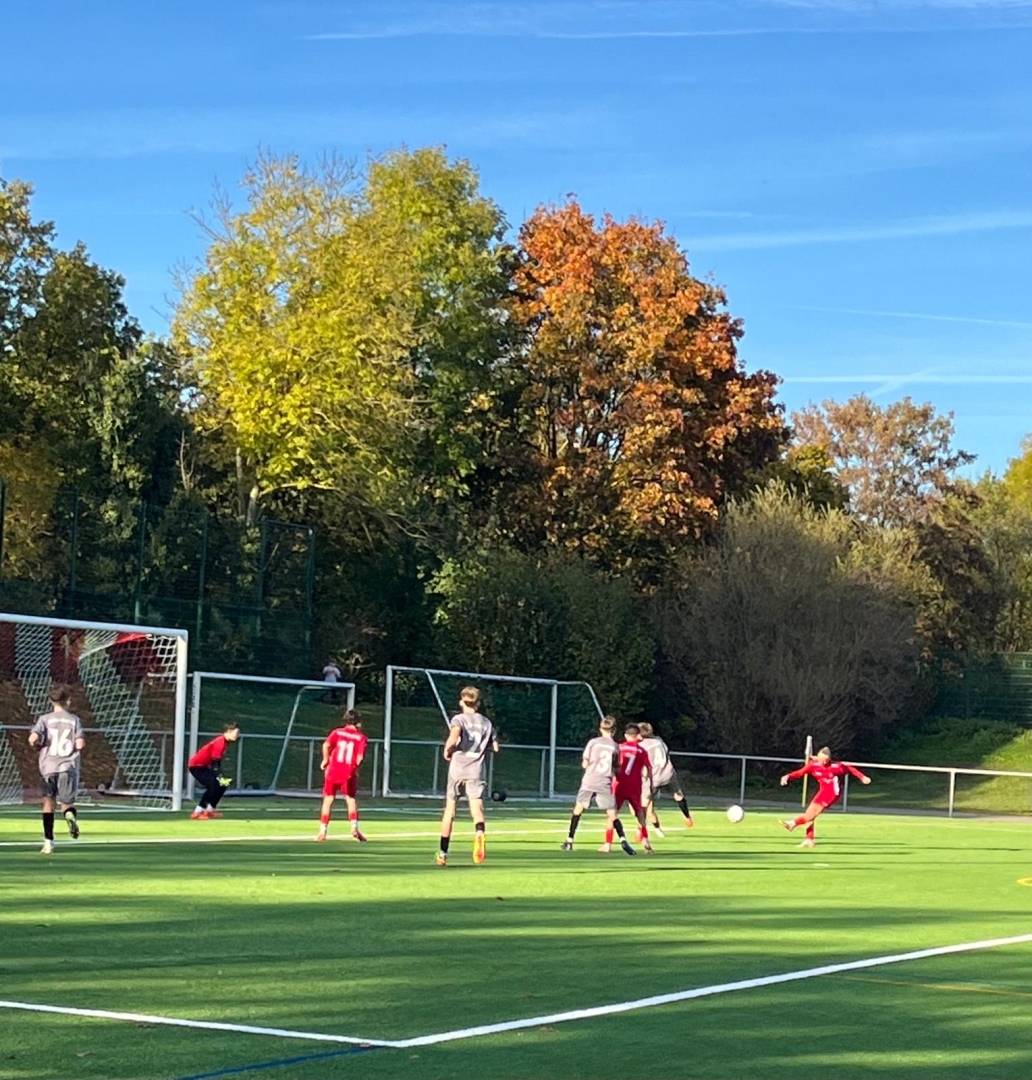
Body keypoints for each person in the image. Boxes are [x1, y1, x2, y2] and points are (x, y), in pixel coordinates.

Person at [436, 687, 499, 867]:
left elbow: (453, 737)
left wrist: (447, 750)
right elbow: (495, 747)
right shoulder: (486, 723)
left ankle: (443, 853)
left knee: (450, 811)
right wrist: (483, 748)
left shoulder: (459, 719)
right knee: (476, 808)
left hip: (458, 768)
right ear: (478, 704)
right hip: (476, 770)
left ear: (461, 702)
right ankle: (479, 832)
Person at [562, 716, 635, 856]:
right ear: (614, 730)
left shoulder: (593, 742)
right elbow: (616, 767)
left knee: (578, 809)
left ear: (601, 729)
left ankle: (569, 840)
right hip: (604, 781)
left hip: (590, 780)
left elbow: (585, 763)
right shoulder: (615, 746)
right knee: (612, 814)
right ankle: (623, 840)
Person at [28, 684, 85, 854]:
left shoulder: (45, 719)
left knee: (48, 803)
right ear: (68, 700)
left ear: (51, 701)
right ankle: (69, 815)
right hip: (67, 766)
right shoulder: (74, 720)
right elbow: (80, 744)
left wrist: (38, 746)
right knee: (66, 802)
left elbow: (32, 739)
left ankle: (48, 842)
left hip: (48, 766)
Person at [780, 746, 871, 847]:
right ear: (818, 757)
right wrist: (788, 776)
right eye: (822, 759)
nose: (823, 762)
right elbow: (800, 773)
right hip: (822, 792)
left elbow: (850, 768)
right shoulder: (813, 765)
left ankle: (792, 823)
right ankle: (809, 839)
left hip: (832, 794)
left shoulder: (836, 767)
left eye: (826, 760)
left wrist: (862, 777)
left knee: (810, 815)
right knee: (809, 814)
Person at [315, 709, 368, 842]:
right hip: (348, 772)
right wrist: (355, 767)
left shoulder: (337, 732)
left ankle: (322, 831)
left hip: (333, 770)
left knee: (328, 799)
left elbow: (326, 745)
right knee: (350, 799)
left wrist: (325, 759)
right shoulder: (360, 737)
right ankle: (354, 828)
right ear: (358, 722)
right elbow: (360, 758)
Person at [638, 722, 693, 836]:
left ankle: (641, 830)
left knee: (645, 805)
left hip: (654, 777)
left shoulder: (642, 746)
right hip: (668, 773)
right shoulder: (659, 740)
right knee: (678, 795)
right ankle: (687, 816)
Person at [188, 723, 240, 819]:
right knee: (213, 785)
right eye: (236, 733)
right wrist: (220, 776)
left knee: (222, 785)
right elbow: (215, 761)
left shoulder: (224, 742)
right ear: (229, 731)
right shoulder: (220, 742)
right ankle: (197, 812)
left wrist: (221, 777)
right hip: (196, 766)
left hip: (204, 766)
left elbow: (216, 762)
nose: (237, 735)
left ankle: (209, 810)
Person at [615, 723, 653, 853]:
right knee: (640, 813)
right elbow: (647, 771)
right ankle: (645, 840)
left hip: (619, 784)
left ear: (626, 735)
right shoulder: (641, 751)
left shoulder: (619, 748)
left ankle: (607, 843)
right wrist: (649, 782)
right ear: (637, 736)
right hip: (634, 786)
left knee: (612, 813)